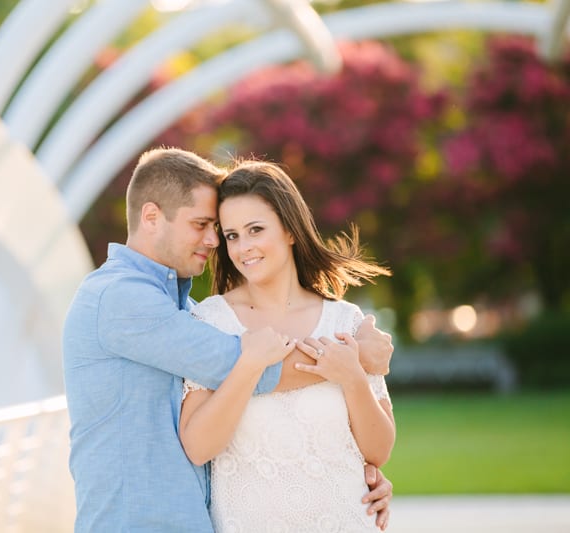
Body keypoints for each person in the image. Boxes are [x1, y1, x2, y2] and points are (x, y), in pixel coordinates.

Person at [62, 148, 394, 532]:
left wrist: (350, 470)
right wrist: (354, 360)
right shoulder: (120, 298)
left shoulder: (182, 307)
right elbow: (239, 361)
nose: (215, 241)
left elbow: (364, 442)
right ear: (151, 216)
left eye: (218, 229)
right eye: (203, 225)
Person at [179, 160, 396, 532]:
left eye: (255, 230)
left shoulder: (345, 322)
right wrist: (248, 366)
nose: (243, 247)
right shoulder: (212, 323)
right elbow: (198, 447)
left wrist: (353, 378)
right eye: (231, 235)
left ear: (291, 231)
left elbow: (378, 452)